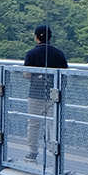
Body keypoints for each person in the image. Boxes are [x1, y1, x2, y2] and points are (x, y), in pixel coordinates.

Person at [23, 24, 68, 161]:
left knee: (34, 124)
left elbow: (27, 74)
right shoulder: (58, 53)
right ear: (50, 37)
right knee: (54, 124)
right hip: (54, 94)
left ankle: (32, 152)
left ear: (36, 37)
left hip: (36, 94)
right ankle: (56, 152)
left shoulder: (31, 54)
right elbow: (65, 73)